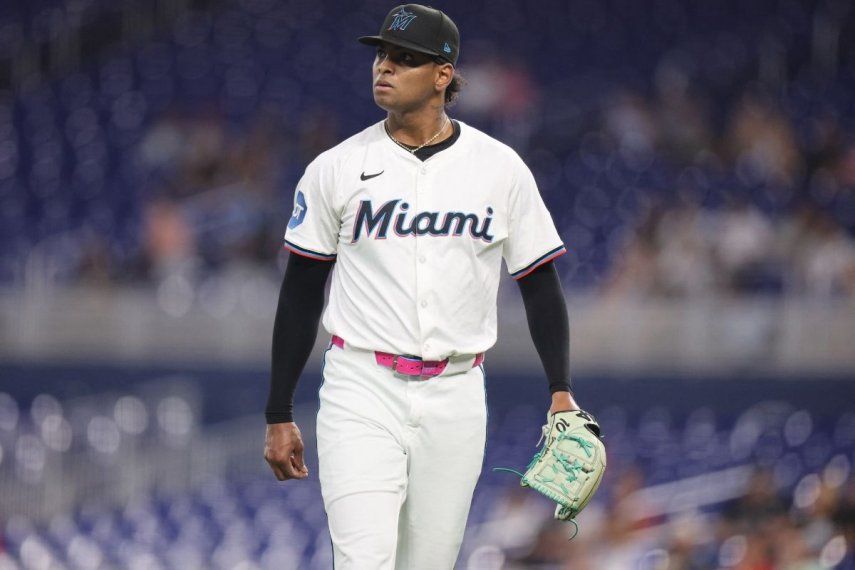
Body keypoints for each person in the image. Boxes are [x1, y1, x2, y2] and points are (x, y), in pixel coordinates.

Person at [263, 4, 583, 568]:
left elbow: (539, 281)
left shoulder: (500, 167)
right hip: (361, 385)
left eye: (404, 58)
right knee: (365, 559)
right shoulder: (336, 167)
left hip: (456, 392)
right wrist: (278, 411)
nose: (383, 66)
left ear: (443, 74)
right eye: (382, 54)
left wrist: (561, 390)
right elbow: (300, 293)